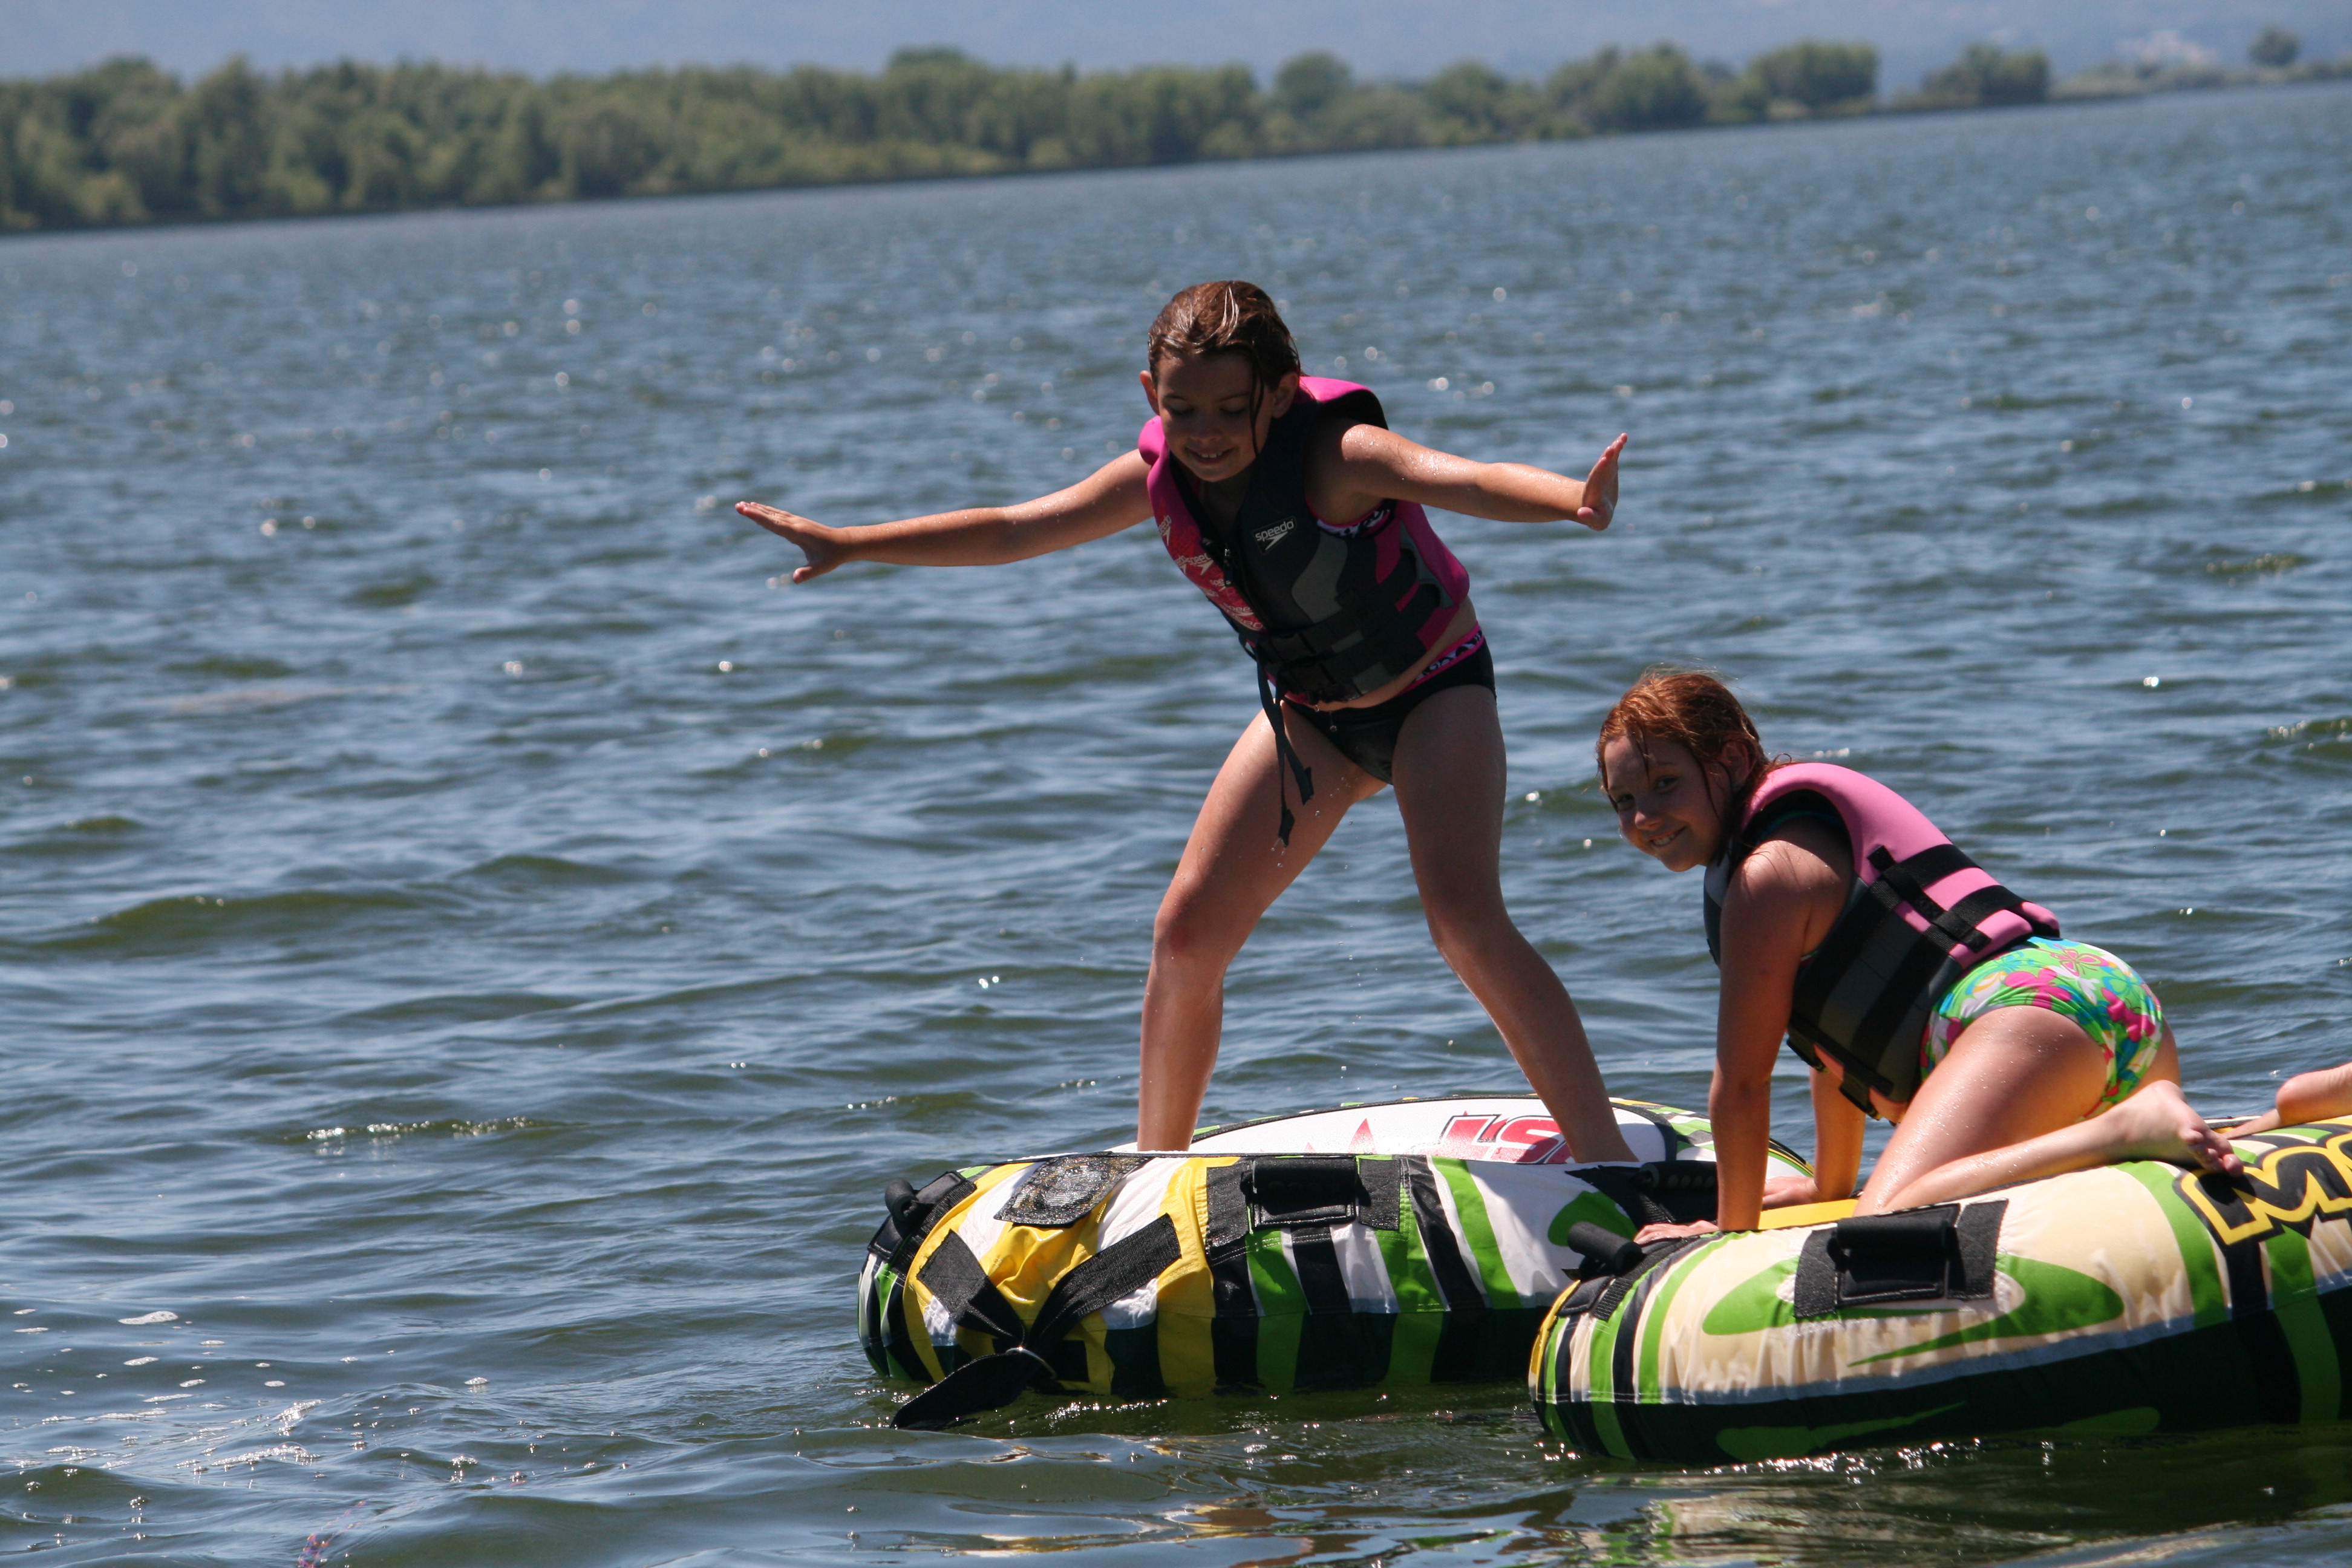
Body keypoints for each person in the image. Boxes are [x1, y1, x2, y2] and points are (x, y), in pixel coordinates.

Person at [739, 280, 1636, 1159]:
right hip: (1312, 722)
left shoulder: (1338, 456)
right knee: (1185, 937)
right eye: (1182, 410)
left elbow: (1468, 480)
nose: (1205, 434)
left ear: (1280, 394)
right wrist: (850, 543)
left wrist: (1573, 501)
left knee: (1463, 921)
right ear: (1150, 396)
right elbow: (1014, 530)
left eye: (1230, 410)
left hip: (1433, 693)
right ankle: (1154, 1170)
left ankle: (1609, 1164)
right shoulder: (1155, 477)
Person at [1593, 668, 2239, 1238]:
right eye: (1624, 801)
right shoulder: (1803, 840)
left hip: (2023, 1021)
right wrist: (1828, 1186)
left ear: (1733, 760)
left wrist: (1730, 1233)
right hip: (2106, 997)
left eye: (1666, 783)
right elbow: (1833, 1043)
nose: (1644, 817)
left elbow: (1741, 1083)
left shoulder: (1765, 878)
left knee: (1888, 1220)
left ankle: (2125, 1130)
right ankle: (2167, 1127)